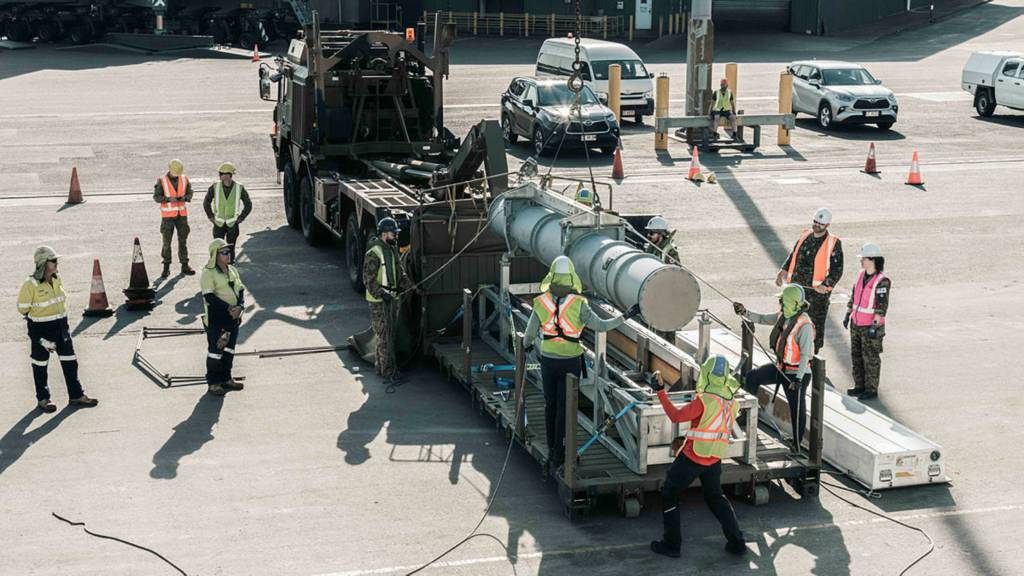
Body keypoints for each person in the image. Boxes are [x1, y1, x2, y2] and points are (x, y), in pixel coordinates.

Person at [523, 256, 640, 473]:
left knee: (550, 405)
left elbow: (528, 336)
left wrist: (527, 346)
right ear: (571, 278)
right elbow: (602, 326)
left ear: (551, 277)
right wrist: (626, 316)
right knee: (565, 408)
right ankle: (562, 451)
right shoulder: (579, 304)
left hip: (548, 360)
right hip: (570, 363)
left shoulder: (541, 302)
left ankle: (553, 449)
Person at [649, 355, 747, 559]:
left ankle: (672, 544)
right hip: (714, 458)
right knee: (716, 498)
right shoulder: (731, 401)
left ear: (706, 374)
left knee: (669, 493)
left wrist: (660, 392)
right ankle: (737, 542)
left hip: (693, 457)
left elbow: (676, 416)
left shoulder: (704, 401)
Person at [733, 284, 814, 450]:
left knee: (796, 409)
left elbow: (806, 355)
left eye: (783, 301)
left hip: (797, 374)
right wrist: (744, 312)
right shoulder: (783, 316)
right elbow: (762, 318)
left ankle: (796, 444)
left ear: (791, 303)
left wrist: (798, 379)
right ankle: (746, 416)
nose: (780, 304)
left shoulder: (804, 326)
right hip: (781, 368)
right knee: (753, 377)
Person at [17, 246, 98, 412]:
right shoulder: (30, 284)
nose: (57, 263)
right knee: (40, 365)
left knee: (70, 362)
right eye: (53, 261)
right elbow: (23, 309)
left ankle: (76, 395)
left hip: (61, 327)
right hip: (42, 330)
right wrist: (38, 337)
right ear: (43, 263)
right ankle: (43, 399)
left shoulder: (57, 278)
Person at [776, 207, 843, 352]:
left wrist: (825, 286)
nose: (816, 225)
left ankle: (813, 359)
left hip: (816, 297)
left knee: (813, 329)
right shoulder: (805, 234)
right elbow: (794, 254)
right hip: (795, 292)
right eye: (815, 221)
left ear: (827, 225)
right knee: (790, 323)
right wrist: (783, 270)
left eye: (820, 223)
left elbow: (837, 271)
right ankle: (788, 354)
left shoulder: (833, 243)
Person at [363, 217, 414, 384]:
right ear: (385, 234)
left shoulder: (391, 250)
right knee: (385, 336)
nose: (396, 236)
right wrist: (381, 294)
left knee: (388, 335)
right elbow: (368, 280)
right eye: (394, 233)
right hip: (380, 303)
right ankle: (388, 372)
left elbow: (400, 274)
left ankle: (382, 367)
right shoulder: (374, 253)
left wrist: (413, 288)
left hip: (391, 299)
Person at [844, 243, 891, 400]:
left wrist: (874, 326)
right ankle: (859, 386)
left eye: (863, 258)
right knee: (856, 356)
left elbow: (881, 307)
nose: (861, 261)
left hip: (870, 327)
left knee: (870, 358)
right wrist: (848, 313)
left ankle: (871, 389)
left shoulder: (882, 281)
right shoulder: (860, 275)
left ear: (872, 259)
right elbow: (854, 296)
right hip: (856, 324)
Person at [199, 239, 246, 396]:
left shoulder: (232, 270)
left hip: (233, 319)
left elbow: (240, 290)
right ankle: (213, 383)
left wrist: (240, 307)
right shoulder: (208, 273)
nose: (228, 254)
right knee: (216, 351)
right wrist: (229, 308)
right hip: (217, 321)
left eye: (229, 251)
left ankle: (226, 378)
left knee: (229, 350)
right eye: (224, 252)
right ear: (215, 255)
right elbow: (209, 297)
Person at [154, 159, 195, 278]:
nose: (176, 176)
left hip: (181, 216)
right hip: (168, 217)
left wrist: (185, 198)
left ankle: (185, 265)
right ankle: (166, 267)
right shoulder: (162, 180)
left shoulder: (184, 179)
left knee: (183, 241)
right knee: (167, 243)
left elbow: (190, 193)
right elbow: (156, 197)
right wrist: (167, 199)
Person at [203, 162, 252, 261]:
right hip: (218, 223)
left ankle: (230, 267)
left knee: (230, 249)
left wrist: (241, 218)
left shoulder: (239, 188)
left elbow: (248, 205)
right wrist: (211, 217)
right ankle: (216, 267)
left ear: (228, 175)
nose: (220, 176)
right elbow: (206, 202)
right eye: (220, 174)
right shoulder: (215, 187)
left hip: (232, 224)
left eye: (221, 174)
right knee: (217, 248)